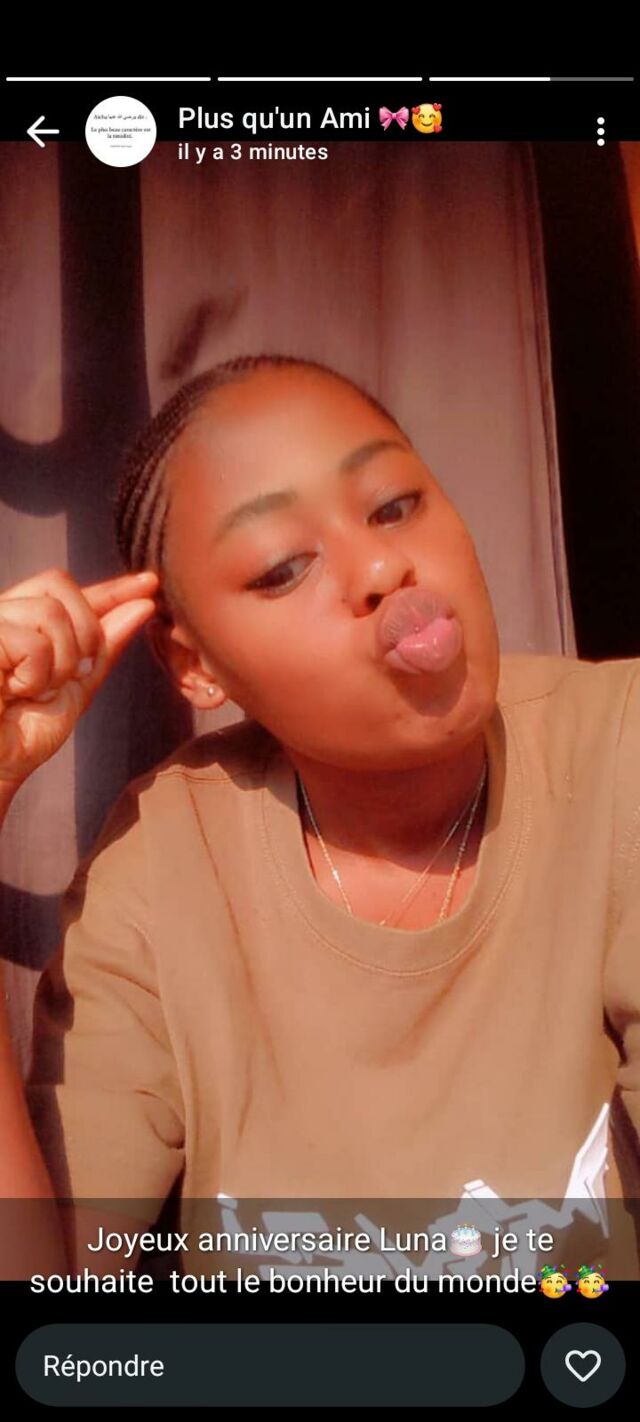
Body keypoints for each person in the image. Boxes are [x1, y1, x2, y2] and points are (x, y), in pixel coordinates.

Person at [1, 355, 639, 1271]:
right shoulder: (159, 861)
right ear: (195, 666)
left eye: (395, 505)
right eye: (283, 568)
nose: (383, 565)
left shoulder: (619, 748)